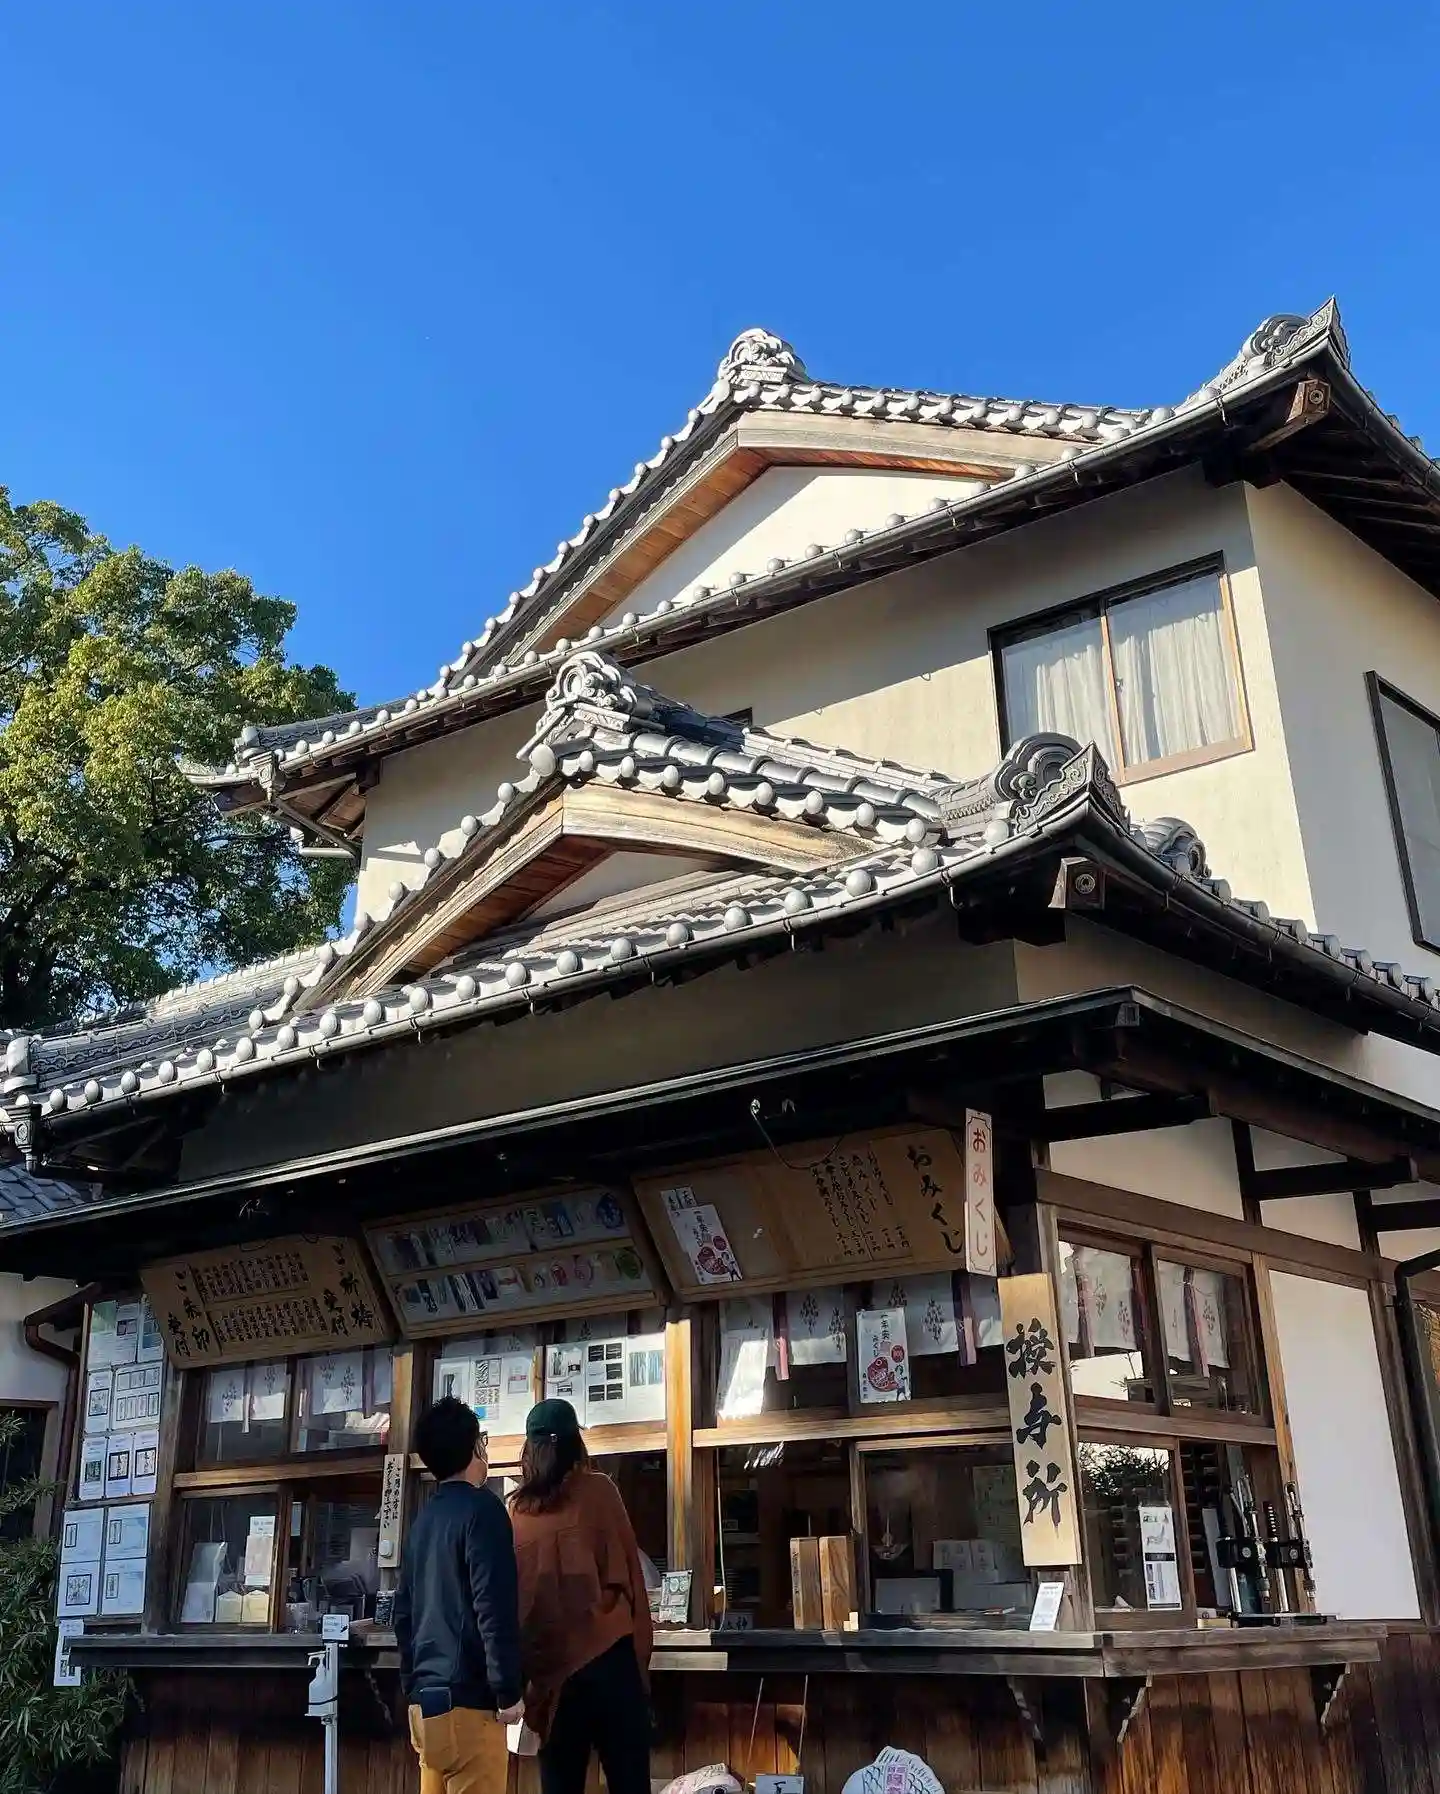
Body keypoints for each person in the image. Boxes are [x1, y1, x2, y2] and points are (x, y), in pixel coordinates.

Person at [509, 1398, 654, 1794]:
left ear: (529, 1449)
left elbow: (515, 1608)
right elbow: (633, 1582)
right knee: (630, 1785)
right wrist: (640, 1669)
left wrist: (526, 1684)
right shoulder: (600, 1491)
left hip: (552, 1678)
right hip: (611, 1663)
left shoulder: (516, 1513)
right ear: (576, 1443)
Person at [393, 1397, 525, 1794]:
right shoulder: (484, 1511)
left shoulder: (423, 1520)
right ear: (474, 1447)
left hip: (426, 1707)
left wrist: (412, 1685)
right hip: (471, 1704)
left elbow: (403, 1614)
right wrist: (508, 1691)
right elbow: (492, 1606)